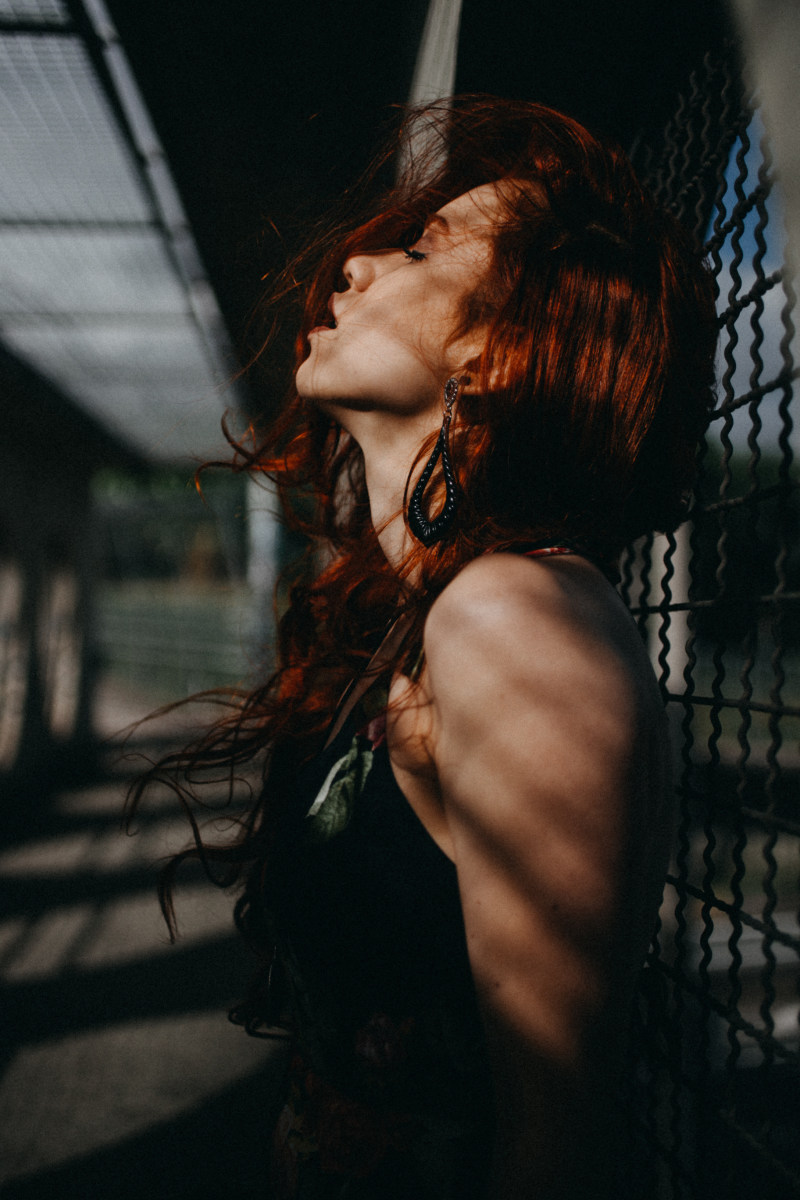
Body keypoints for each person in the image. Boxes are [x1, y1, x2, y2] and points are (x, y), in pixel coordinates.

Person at [135, 97, 717, 1198]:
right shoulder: (442, 607)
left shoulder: (513, 621)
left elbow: (556, 1148)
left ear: (499, 351)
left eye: (419, 247)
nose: (355, 264)